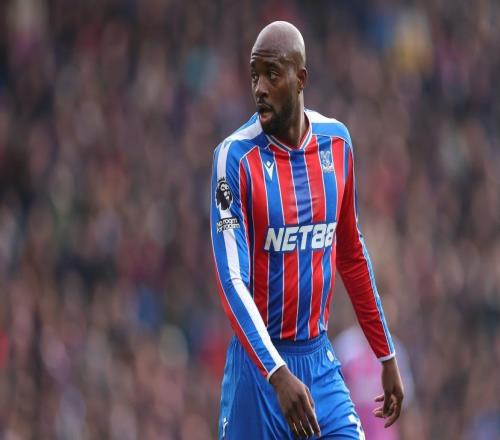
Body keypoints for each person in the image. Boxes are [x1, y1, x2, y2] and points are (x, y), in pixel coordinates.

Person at [210, 21, 404, 439]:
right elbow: (231, 280)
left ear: (301, 79)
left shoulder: (337, 144)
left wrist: (385, 353)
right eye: (254, 75)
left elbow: (351, 255)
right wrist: (276, 373)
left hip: (318, 362)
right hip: (258, 373)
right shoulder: (235, 159)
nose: (260, 88)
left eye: (272, 74)